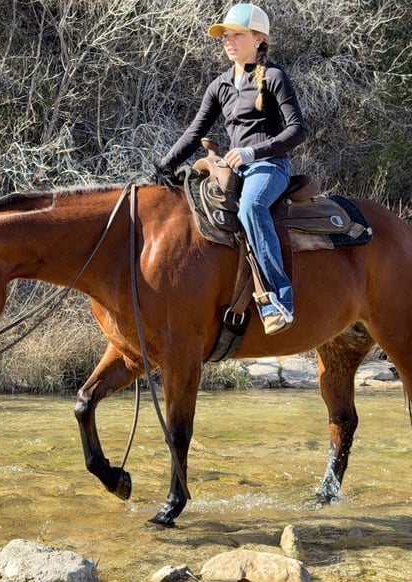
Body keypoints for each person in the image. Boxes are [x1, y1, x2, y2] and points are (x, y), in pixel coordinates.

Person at [154, 3, 307, 335]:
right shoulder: (219, 85)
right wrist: (164, 166)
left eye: (237, 35)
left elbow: (297, 131)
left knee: (252, 206)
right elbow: (194, 132)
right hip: (235, 169)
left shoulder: (274, 77)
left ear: (258, 38)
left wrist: (254, 151)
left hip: (270, 166)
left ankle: (279, 300)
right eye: (225, 36)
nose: (228, 41)